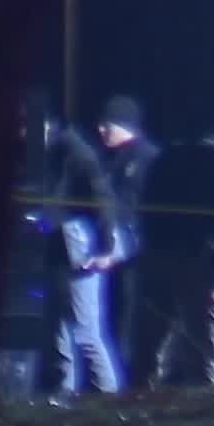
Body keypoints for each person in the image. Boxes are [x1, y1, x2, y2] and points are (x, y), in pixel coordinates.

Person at [137, 122, 214, 387]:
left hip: (157, 250)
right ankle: (203, 391)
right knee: (204, 326)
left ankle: (141, 388)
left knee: (154, 327)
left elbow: (143, 203)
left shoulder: (167, 155)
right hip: (198, 253)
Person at [32, 104, 124, 395]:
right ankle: (64, 392)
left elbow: (103, 200)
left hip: (80, 252)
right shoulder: (57, 153)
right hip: (61, 251)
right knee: (58, 329)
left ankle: (108, 395)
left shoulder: (75, 153)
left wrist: (106, 248)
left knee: (85, 331)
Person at [92, 95, 160, 374]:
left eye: (107, 124)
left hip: (135, 257)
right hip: (110, 254)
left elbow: (138, 213)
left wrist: (118, 250)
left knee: (127, 323)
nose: (100, 129)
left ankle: (126, 382)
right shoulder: (108, 158)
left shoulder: (147, 158)